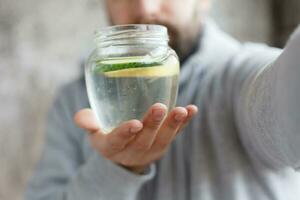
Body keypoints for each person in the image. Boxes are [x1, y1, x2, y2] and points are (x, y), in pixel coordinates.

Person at [25, 0, 300, 199]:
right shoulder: (73, 102)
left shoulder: (241, 74)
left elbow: (285, 101)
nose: (145, 9)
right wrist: (116, 170)